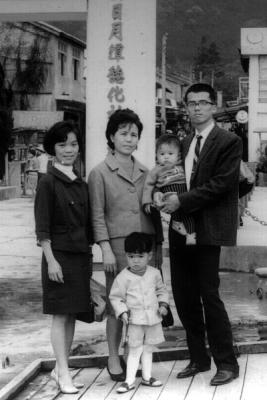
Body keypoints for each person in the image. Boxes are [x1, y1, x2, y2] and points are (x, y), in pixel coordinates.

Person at [161, 83, 242, 386]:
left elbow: (222, 184)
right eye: (191, 103)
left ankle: (227, 363)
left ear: (213, 106)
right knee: (183, 295)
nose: (196, 108)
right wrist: (162, 196)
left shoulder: (228, 141)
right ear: (186, 107)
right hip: (180, 228)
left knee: (209, 294)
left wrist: (181, 200)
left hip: (209, 229)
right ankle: (198, 357)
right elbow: (172, 178)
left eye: (202, 103)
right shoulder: (181, 143)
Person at [88, 108, 163, 382]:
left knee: (145, 303)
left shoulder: (146, 172)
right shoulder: (99, 173)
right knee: (116, 305)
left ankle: (140, 355)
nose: (129, 139)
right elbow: (97, 214)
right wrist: (105, 247)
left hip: (146, 247)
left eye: (134, 134)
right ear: (111, 136)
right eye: (123, 133)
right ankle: (112, 356)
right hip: (117, 250)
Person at [34, 121, 93, 394]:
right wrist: (52, 260)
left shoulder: (80, 182)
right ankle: (64, 372)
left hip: (80, 257)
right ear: (52, 149)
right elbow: (42, 226)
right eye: (62, 144)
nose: (68, 150)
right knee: (60, 316)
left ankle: (61, 369)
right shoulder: (47, 182)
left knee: (71, 316)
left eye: (73, 144)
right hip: (58, 257)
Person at [109, 232, 169, 393]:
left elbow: (162, 291)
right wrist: (122, 312)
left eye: (140, 256)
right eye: (131, 256)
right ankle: (129, 381)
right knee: (134, 350)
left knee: (148, 348)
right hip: (134, 320)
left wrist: (163, 304)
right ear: (126, 256)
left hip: (153, 319)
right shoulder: (123, 277)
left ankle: (147, 377)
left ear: (149, 256)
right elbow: (115, 298)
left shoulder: (154, 273)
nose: (135, 260)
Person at [142, 133, 196, 244]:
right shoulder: (156, 170)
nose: (166, 157)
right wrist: (147, 201)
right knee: (175, 212)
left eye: (170, 153)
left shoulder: (182, 165)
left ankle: (191, 234)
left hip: (183, 193)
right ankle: (177, 223)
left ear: (178, 155)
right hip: (168, 193)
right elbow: (148, 185)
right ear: (156, 155)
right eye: (162, 154)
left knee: (189, 213)